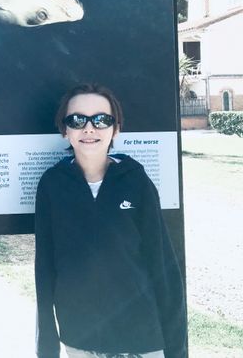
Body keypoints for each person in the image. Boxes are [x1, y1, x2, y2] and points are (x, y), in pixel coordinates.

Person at [35, 83, 187, 358]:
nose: (89, 128)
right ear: (65, 129)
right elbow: (44, 267)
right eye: (77, 120)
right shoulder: (52, 185)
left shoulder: (136, 181)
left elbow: (162, 262)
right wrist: (47, 345)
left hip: (140, 334)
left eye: (102, 120)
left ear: (115, 129)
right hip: (80, 335)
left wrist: (177, 348)